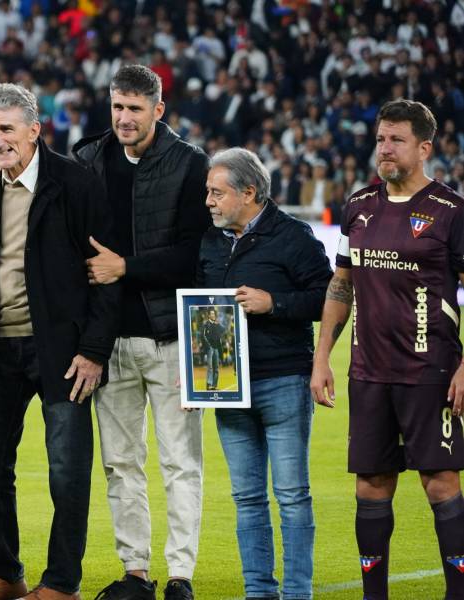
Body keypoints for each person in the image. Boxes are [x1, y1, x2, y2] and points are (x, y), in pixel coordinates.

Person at [0, 83, 119, 600]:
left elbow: (108, 273)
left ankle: (61, 583)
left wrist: (93, 350)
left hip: (63, 352)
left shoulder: (76, 182)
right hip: (1, 345)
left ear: (34, 131)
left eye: (6, 129)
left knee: (67, 470)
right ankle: (5, 574)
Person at [311, 99, 464, 600]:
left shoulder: (450, 211)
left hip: (431, 371)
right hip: (369, 372)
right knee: (371, 484)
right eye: (380, 138)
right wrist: (321, 359)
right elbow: (341, 286)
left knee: (440, 482)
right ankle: (374, 595)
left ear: (424, 148)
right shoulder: (359, 206)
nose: (384, 148)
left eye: (396, 140)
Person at [72, 64, 209, 600]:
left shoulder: (189, 163)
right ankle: (135, 572)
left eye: (134, 108)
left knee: (180, 462)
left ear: (158, 109)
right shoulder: (88, 158)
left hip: (170, 337)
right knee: (120, 462)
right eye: (117, 107)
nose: (124, 118)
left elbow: (194, 254)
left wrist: (124, 268)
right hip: (108, 343)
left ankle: (180, 575)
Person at [198, 147, 332, 600]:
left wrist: (273, 303)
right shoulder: (210, 240)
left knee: (292, 495)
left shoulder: (293, 236)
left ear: (249, 192)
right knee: (247, 498)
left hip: (282, 380)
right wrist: (194, 370)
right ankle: (259, 591)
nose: (209, 202)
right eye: (208, 193)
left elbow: (327, 299)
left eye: (217, 193)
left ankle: (297, 593)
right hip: (226, 387)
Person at [201, 309, 224, 391]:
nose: (213, 315)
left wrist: (218, 324)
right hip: (210, 349)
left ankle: (214, 386)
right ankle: (209, 385)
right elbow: (203, 336)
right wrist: (208, 346)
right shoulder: (206, 324)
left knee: (216, 368)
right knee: (210, 367)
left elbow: (223, 330)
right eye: (212, 314)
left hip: (216, 348)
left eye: (214, 314)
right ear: (209, 315)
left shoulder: (216, 325)